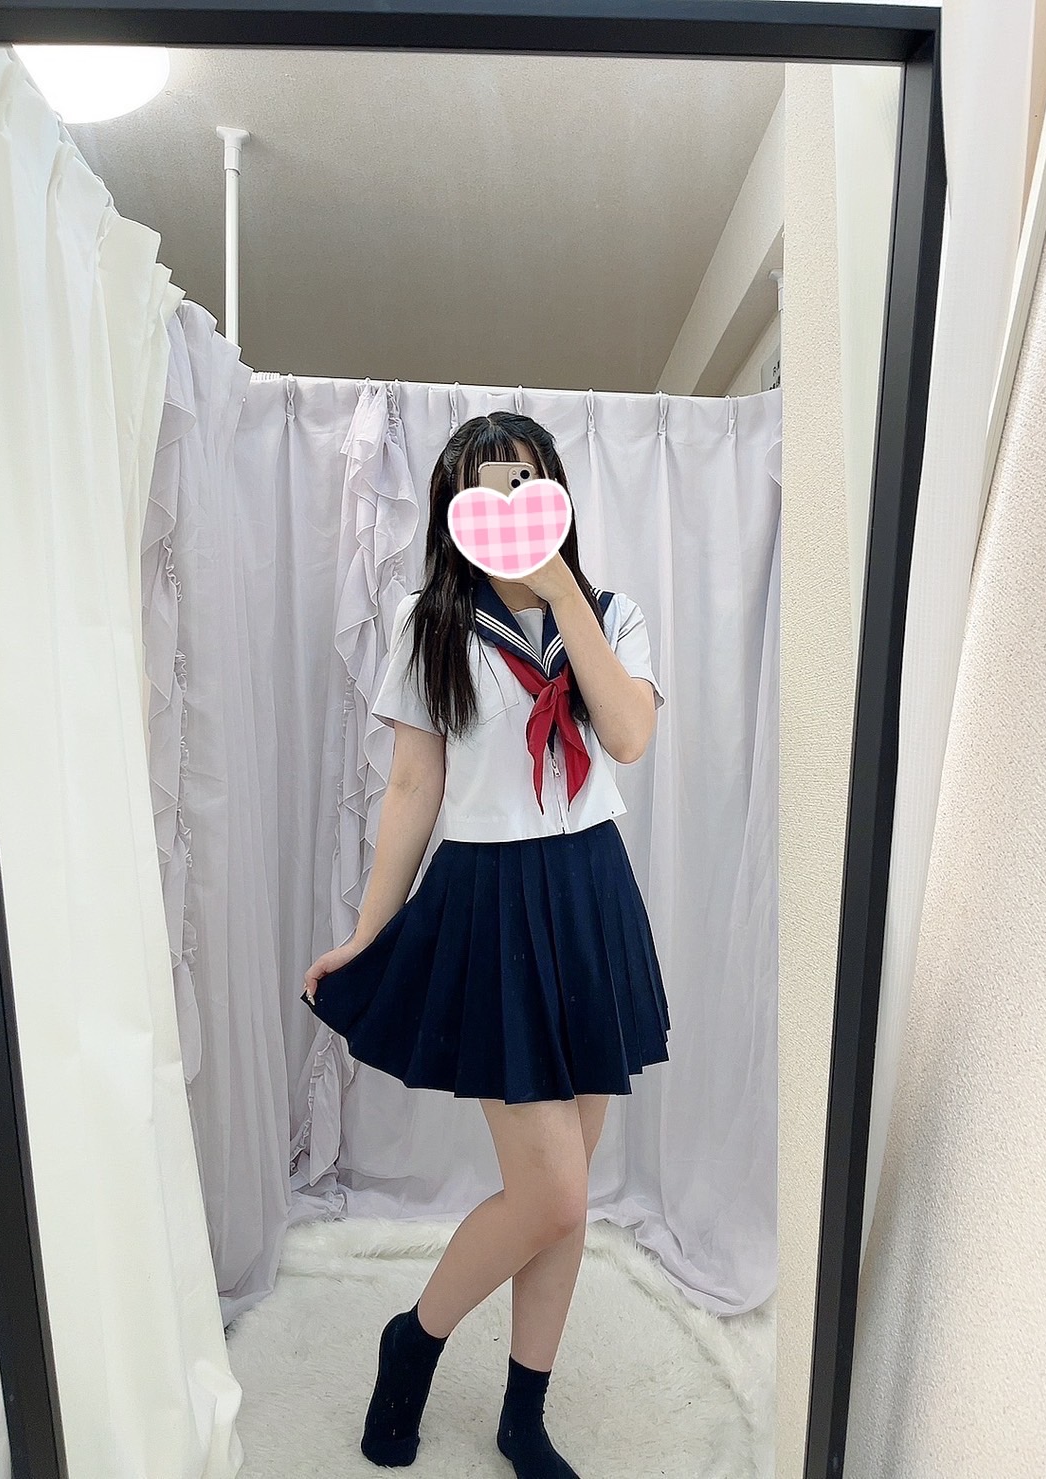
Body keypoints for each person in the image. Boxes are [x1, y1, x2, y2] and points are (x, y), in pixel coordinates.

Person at [301, 411, 670, 1477]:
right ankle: (413, 1339)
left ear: (555, 495)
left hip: (590, 894)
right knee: (551, 1192)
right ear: (452, 510)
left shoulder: (611, 613)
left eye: (525, 484)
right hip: (490, 902)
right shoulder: (428, 623)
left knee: (566, 1197)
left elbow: (627, 737)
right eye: (483, 489)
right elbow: (413, 787)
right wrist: (368, 933)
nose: (506, 506)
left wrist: (561, 593)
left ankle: (523, 1415)